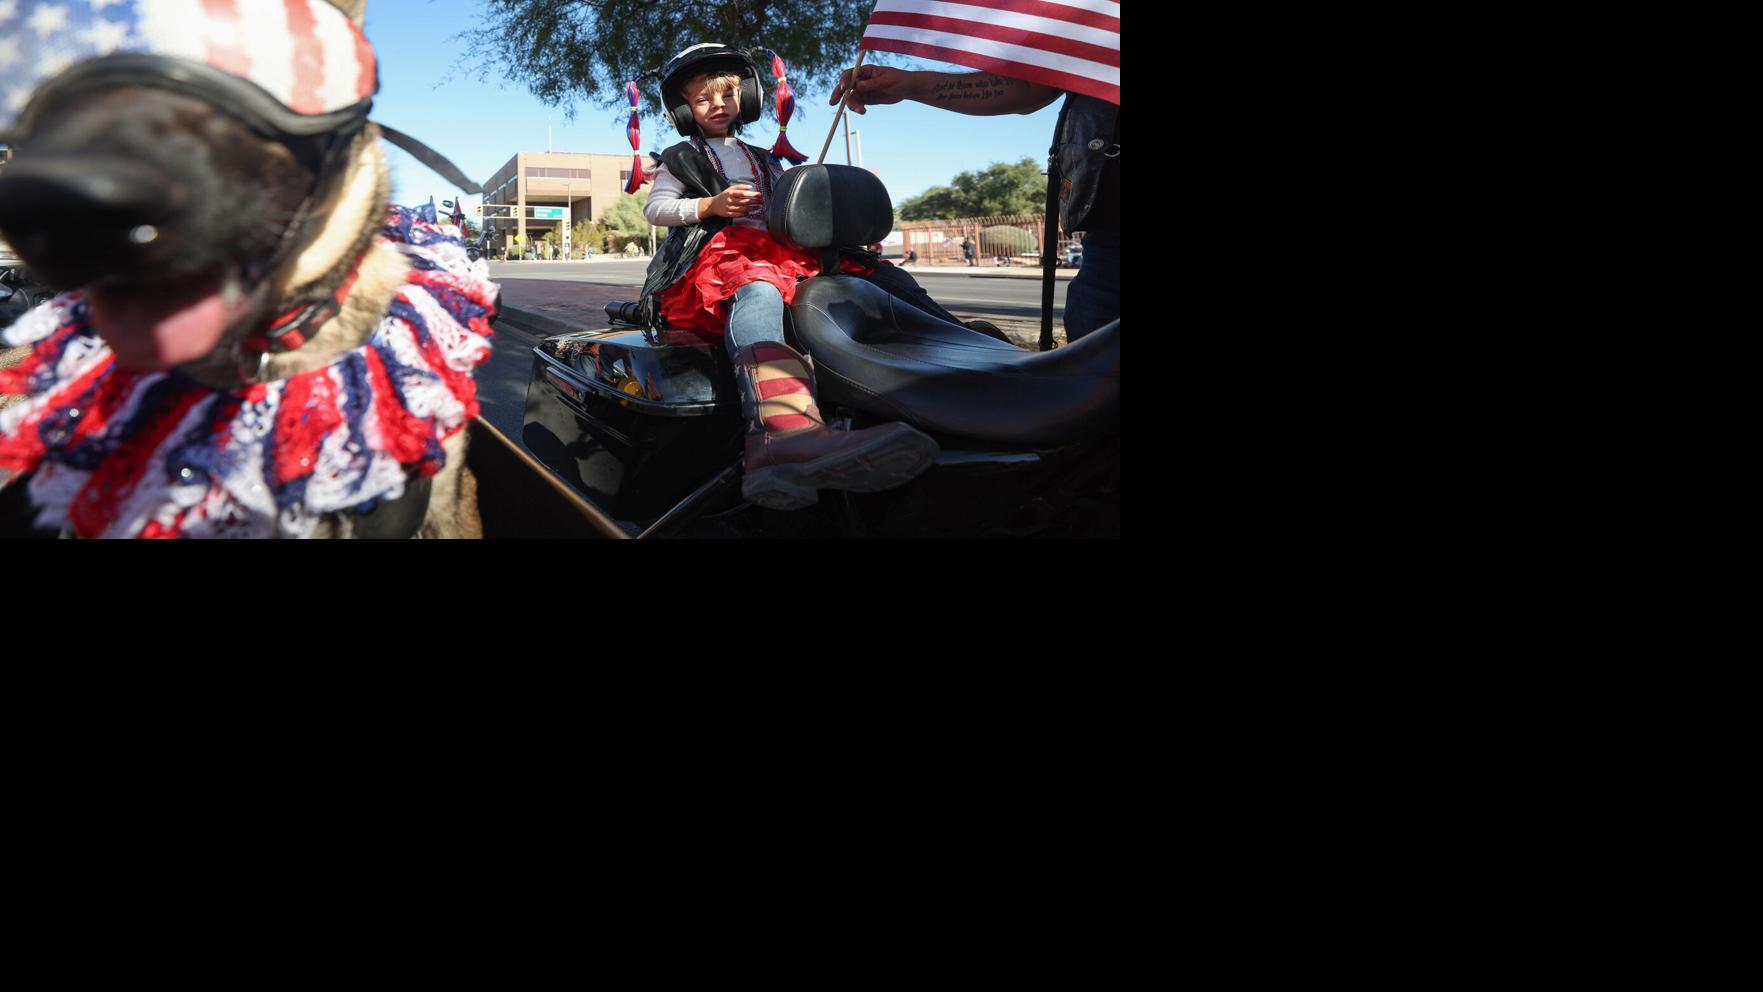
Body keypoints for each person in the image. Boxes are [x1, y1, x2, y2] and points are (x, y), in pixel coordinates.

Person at [639, 43, 936, 510]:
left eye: (728, 96)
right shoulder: (681, 158)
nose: (718, 106)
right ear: (684, 109)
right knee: (757, 287)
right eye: (702, 99)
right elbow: (655, 210)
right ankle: (782, 429)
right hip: (725, 257)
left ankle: (959, 349)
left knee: (876, 274)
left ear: (748, 98)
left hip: (786, 251)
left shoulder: (766, 156)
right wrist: (709, 206)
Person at [831, 66, 1119, 341]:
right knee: (1093, 370)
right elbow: (1031, 87)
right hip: (1107, 242)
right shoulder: (1096, 21)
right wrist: (910, 83)